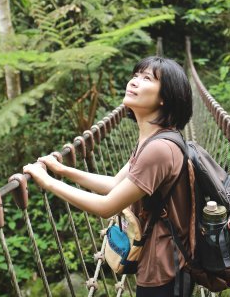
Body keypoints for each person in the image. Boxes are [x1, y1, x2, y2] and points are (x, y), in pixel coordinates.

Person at [23, 56, 194, 297]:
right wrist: (63, 171)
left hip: (165, 271)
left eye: (147, 79)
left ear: (165, 97)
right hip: (160, 264)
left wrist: (48, 182)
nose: (134, 82)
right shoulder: (153, 138)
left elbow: (106, 206)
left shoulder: (159, 149)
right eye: (135, 75)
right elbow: (115, 184)